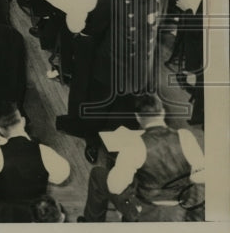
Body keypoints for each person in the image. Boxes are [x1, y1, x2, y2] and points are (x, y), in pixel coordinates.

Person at [79, 94, 205, 222]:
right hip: (181, 209)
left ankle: (91, 224)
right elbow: (201, 176)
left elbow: (114, 187)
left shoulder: (135, 145)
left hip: (147, 211)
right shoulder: (185, 136)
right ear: (162, 112)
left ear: (138, 117)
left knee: (97, 175)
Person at [0, 102, 71, 222]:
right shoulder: (45, 152)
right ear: (23, 121)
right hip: (36, 212)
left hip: (5, 212)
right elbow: (62, 176)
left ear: (0, 129)